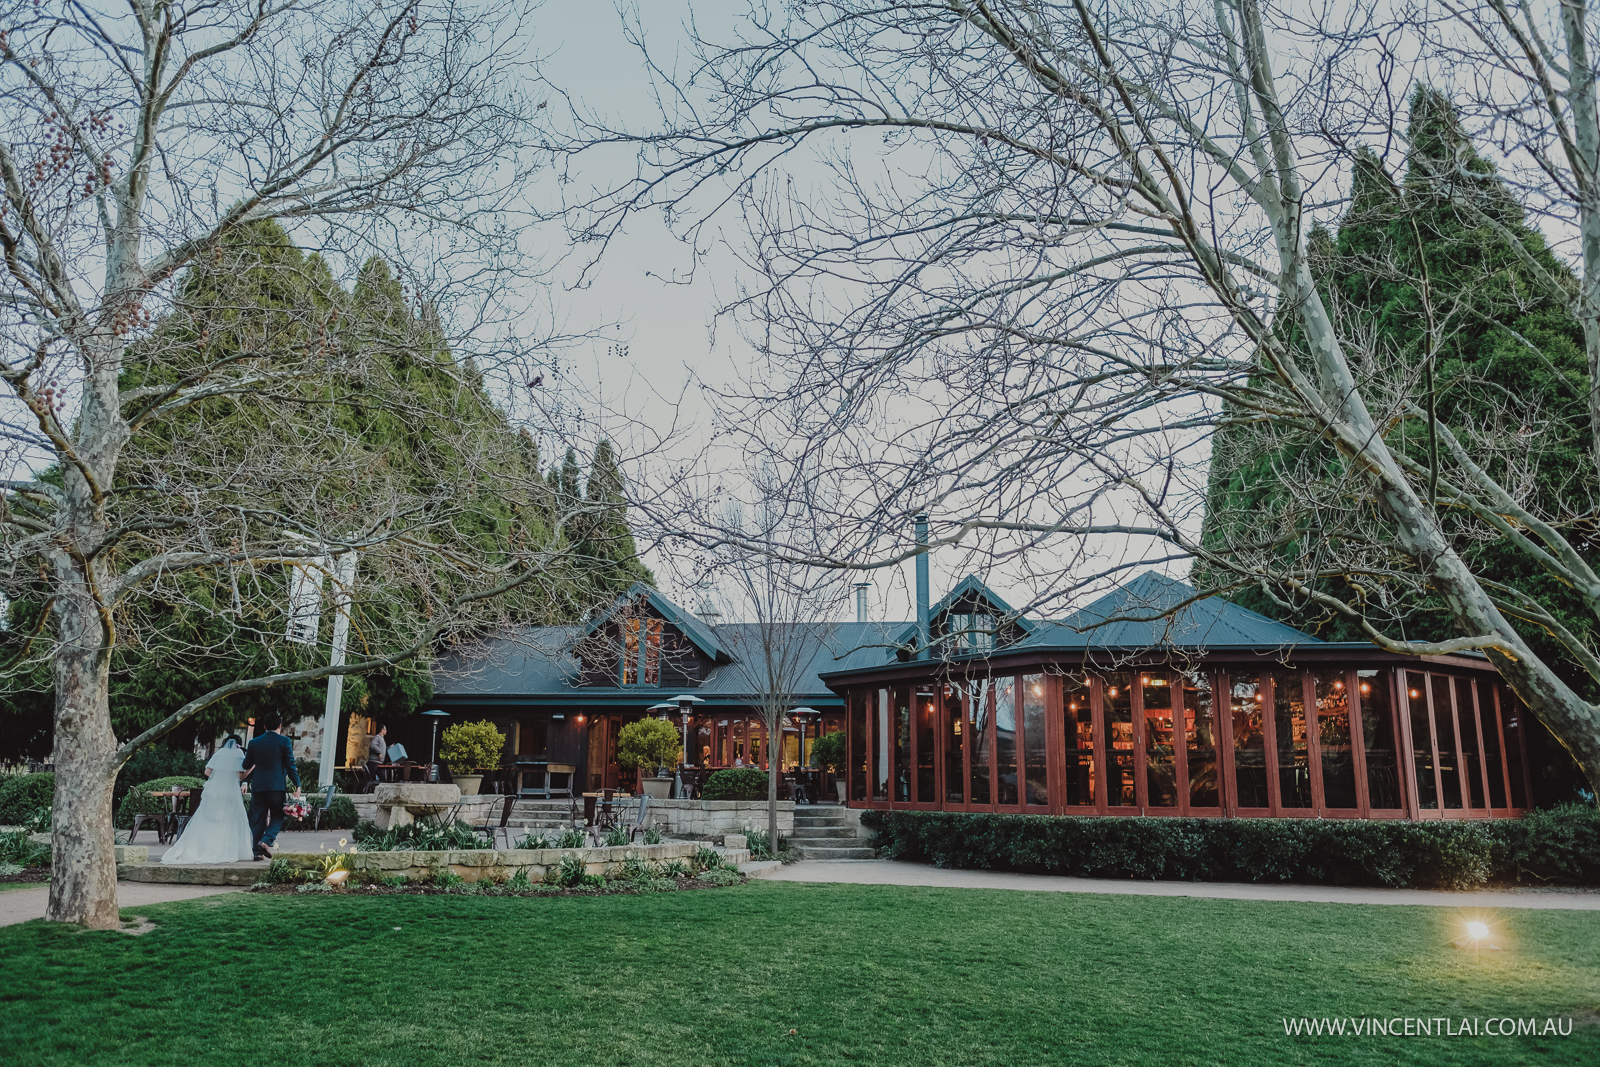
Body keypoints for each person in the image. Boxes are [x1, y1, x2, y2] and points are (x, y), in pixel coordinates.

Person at [161, 736, 255, 864]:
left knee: (207, 819)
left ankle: (202, 847)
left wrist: (219, 777)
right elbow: (240, 776)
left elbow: (207, 772)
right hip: (230, 792)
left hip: (213, 791)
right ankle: (223, 848)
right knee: (228, 821)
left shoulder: (219, 753)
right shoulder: (239, 753)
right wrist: (252, 768)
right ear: (238, 744)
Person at [243, 712, 300, 860]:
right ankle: (266, 841)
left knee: (258, 818)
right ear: (280, 726)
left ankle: (256, 852)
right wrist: (297, 784)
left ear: (264, 726)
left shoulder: (254, 742)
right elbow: (290, 764)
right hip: (276, 786)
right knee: (278, 814)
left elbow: (246, 764)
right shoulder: (284, 741)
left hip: (258, 786)